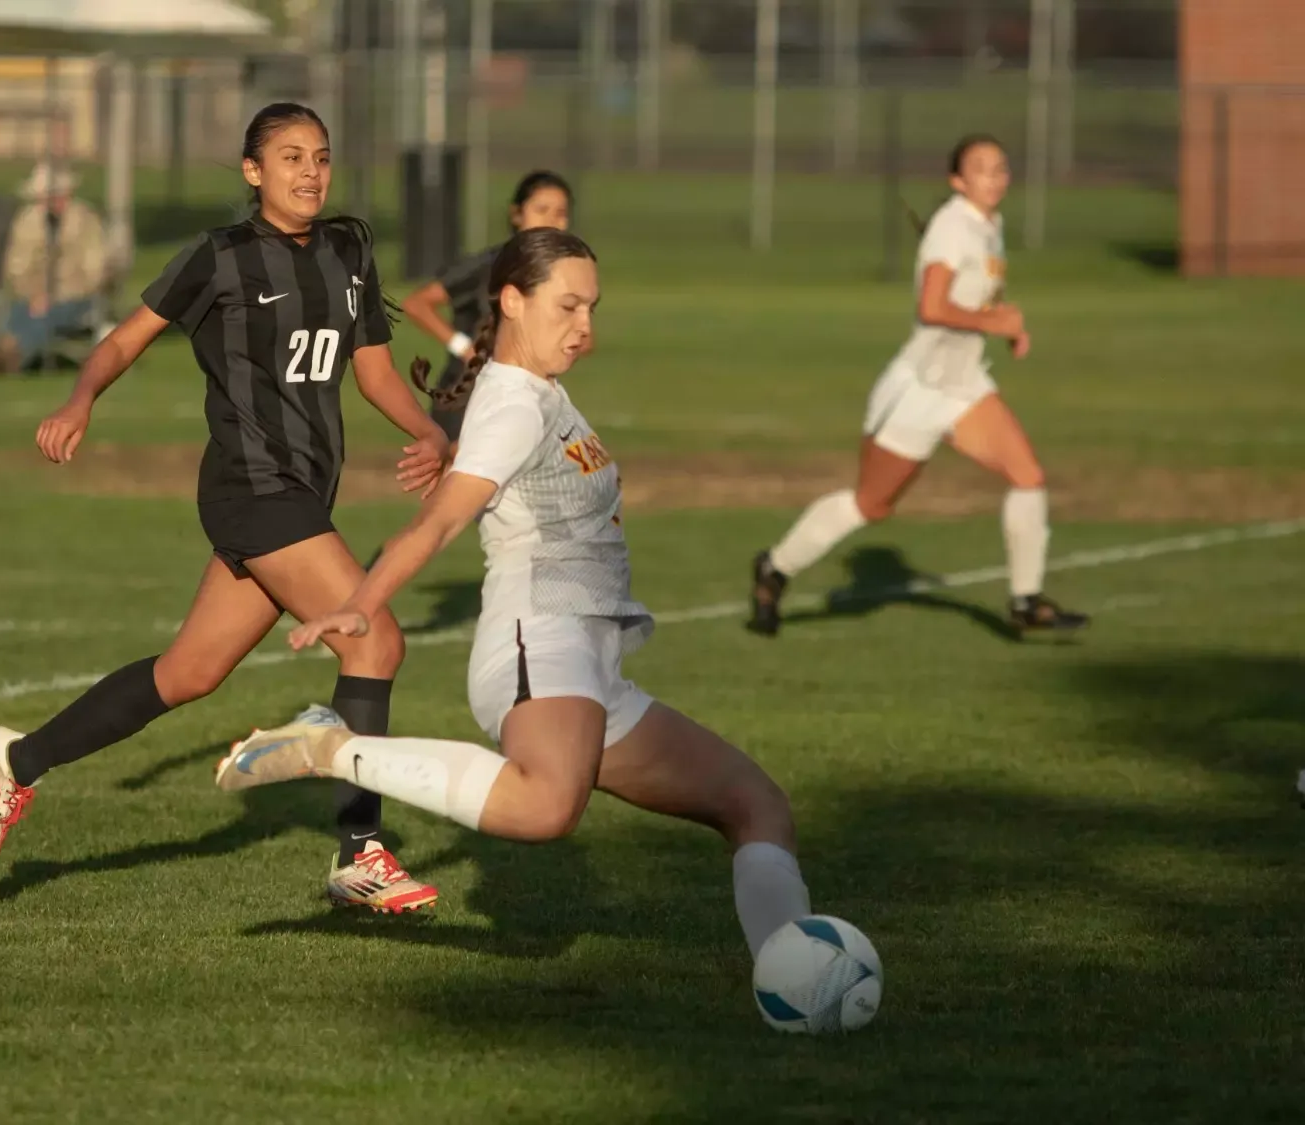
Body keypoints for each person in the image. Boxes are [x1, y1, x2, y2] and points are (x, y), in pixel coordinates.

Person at [214, 228, 818, 962]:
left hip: (593, 664)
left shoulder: (540, 394)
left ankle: (794, 973)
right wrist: (362, 601)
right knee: (546, 805)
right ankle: (334, 747)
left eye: (592, 308)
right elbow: (440, 521)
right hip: (541, 639)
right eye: (567, 306)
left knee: (758, 807)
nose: (585, 326)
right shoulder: (511, 406)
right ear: (511, 300)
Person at [0, 103, 453, 913]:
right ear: (252, 172)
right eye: (290, 157)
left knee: (187, 674)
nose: (310, 172)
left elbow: (372, 370)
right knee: (374, 639)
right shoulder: (219, 258)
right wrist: (81, 398)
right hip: (250, 487)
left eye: (321, 157)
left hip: (303, 489)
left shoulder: (347, 251)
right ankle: (360, 852)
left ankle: (17, 761)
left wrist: (431, 431)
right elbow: (125, 339)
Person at [747, 135, 1089, 638]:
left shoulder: (987, 225)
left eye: (1001, 168)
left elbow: (973, 300)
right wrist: (995, 324)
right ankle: (774, 568)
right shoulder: (954, 227)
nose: (995, 178)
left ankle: (1025, 600)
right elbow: (932, 307)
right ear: (957, 181)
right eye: (981, 169)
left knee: (1028, 476)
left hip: (963, 384)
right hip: (920, 389)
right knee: (872, 505)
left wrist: (1005, 324)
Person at [400, 171, 575, 440]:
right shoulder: (489, 265)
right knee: (461, 478)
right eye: (541, 209)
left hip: (524, 399)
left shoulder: (561, 273)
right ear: (517, 214)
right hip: (468, 396)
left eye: (561, 212)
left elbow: (584, 340)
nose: (552, 220)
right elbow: (417, 303)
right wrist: (465, 349)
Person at [0, 164, 109, 372]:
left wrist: (55, 295)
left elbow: (96, 270)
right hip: (31, 297)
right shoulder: (27, 221)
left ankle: (16, 358)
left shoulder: (87, 221)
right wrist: (35, 294)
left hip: (75, 297)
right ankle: (9, 353)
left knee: (43, 317)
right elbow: (16, 266)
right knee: (20, 315)